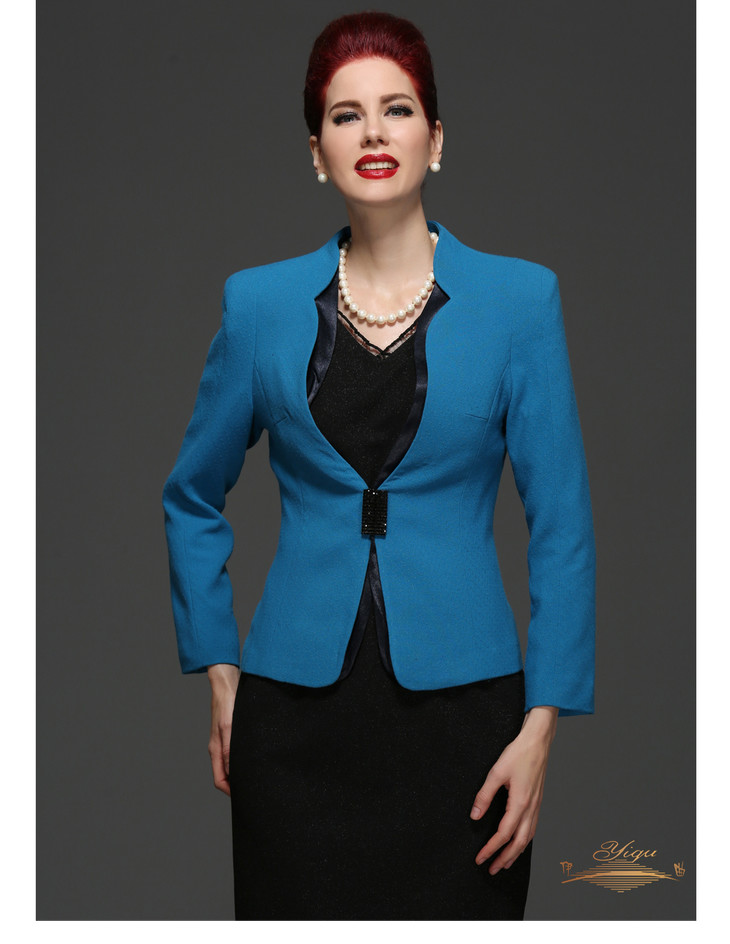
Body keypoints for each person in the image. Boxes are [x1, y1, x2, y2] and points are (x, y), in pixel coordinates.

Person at [162, 10, 596, 921]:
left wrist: (542, 726)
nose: (373, 133)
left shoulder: (521, 302)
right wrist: (220, 670)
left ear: (435, 139)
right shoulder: (258, 306)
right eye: (345, 114)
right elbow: (191, 496)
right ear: (317, 152)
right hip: (293, 724)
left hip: (466, 724)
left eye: (396, 110)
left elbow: (562, 525)